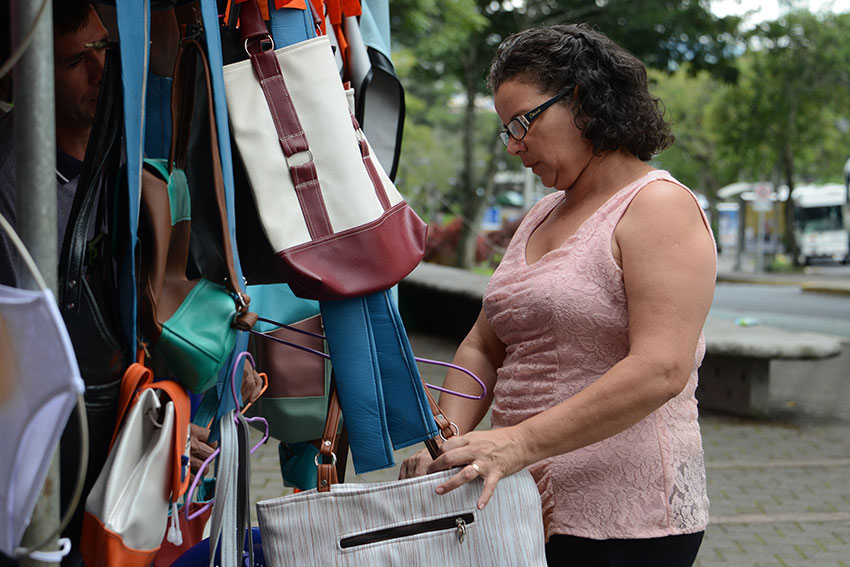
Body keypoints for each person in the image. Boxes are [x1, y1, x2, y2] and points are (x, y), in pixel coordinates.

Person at [400, 24, 716, 567]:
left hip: (624, 520)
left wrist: (519, 442)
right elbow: (484, 344)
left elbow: (662, 367)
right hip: (521, 505)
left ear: (583, 101)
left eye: (523, 121)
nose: (514, 144)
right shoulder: (543, 213)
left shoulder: (657, 206)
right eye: (506, 130)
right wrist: (446, 440)